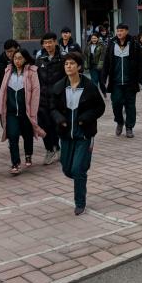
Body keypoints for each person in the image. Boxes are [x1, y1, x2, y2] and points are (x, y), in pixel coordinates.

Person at [50, 51, 105, 215]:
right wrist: (60, 119)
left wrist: (85, 118)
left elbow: (100, 107)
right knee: (67, 169)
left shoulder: (89, 86)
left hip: (84, 134)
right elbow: (52, 108)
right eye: (66, 64)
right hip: (66, 134)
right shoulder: (59, 87)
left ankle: (80, 203)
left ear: (79, 67)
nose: (68, 66)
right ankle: (80, 171)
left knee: (77, 169)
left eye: (72, 63)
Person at [0, 49, 46, 174]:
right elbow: (3, 91)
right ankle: (15, 163)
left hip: (26, 111)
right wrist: (1, 108)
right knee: (12, 136)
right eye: (15, 58)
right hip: (11, 112)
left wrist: (33, 112)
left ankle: (28, 154)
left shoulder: (31, 72)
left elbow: (36, 92)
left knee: (27, 134)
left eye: (20, 58)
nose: (17, 61)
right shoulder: (8, 71)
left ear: (25, 59)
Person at [101, 23, 142, 138]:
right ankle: (119, 121)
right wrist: (103, 77)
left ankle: (129, 127)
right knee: (116, 104)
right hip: (116, 82)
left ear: (127, 31)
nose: (119, 33)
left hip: (130, 82)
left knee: (130, 106)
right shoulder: (112, 44)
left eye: (121, 30)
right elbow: (106, 62)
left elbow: (140, 62)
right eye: (118, 31)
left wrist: (140, 78)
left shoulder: (134, 44)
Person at [35, 32, 63, 164]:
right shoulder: (40, 59)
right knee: (44, 125)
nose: (48, 45)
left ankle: (57, 147)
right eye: (45, 43)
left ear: (55, 42)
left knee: (56, 125)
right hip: (42, 99)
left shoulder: (63, 58)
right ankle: (49, 150)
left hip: (57, 99)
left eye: (50, 42)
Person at [0, 39, 19, 104]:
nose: (9, 54)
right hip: (4, 97)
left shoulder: (24, 61)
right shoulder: (0, 62)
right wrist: (0, 91)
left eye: (11, 51)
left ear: (17, 49)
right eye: (7, 52)